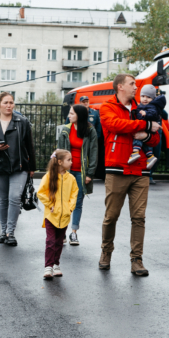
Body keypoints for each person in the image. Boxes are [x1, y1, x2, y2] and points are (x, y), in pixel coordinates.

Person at [99, 74, 160, 277]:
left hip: (141, 170)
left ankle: (137, 260)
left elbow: (157, 136)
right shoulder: (107, 107)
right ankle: (106, 252)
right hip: (117, 168)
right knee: (111, 216)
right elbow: (117, 125)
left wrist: (148, 134)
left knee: (139, 218)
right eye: (132, 84)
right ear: (120, 87)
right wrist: (145, 126)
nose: (136, 87)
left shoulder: (141, 108)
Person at [0, 92, 35, 247]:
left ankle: (10, 232)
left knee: (15, 197)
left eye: (11, 102)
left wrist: (32, 167)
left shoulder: (22, 121)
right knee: (3, 200)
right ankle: (3, 231)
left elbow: (29, 145)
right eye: (5, 103)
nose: (9, 105)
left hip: (19, 166)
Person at [56, 104, 98, 246]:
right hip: (67, 172)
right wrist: (60, 170)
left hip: (82, 172)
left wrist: (90, 174)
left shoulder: (90, 131)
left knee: (78, 202)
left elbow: (93, 153)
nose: (69, 115)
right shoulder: (66, 130)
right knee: (64, 201)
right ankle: (62, 232)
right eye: (69, 113)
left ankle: (73, 233)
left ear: (79, 115)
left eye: (72, 113)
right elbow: (59, 152)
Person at [37, 150, 79, 280]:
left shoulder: (71, 178)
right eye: (69, 160)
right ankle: (48, 266)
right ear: (60, 162)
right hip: (51, 216)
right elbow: (41, 193)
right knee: (50, 241)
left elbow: (74, 194)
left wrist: (69, 209)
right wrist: (50, 205)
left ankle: (56, 264)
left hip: (65, 216)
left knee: (59, 242)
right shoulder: (49, 176)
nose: (71, 162)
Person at [128, 84, 166, 169]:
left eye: (148, 97)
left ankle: (135, 152)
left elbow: (153, 113)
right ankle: (150, 156)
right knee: (145, 142)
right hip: (147, 126)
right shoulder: (143, 105)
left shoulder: (151, 106)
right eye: (143, 96)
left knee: (138, 137)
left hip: (146, 126)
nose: (145, 99)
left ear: (153, 99)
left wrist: (146, 114)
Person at [148, 88, 168, 185]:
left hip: (158, 134)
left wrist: (160, 108)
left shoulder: (159, 108)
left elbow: (166, 116)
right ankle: (148, 175)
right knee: (149, 154)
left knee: (156, 155)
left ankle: (151, 173)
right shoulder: (147, 106)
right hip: (149, 133)